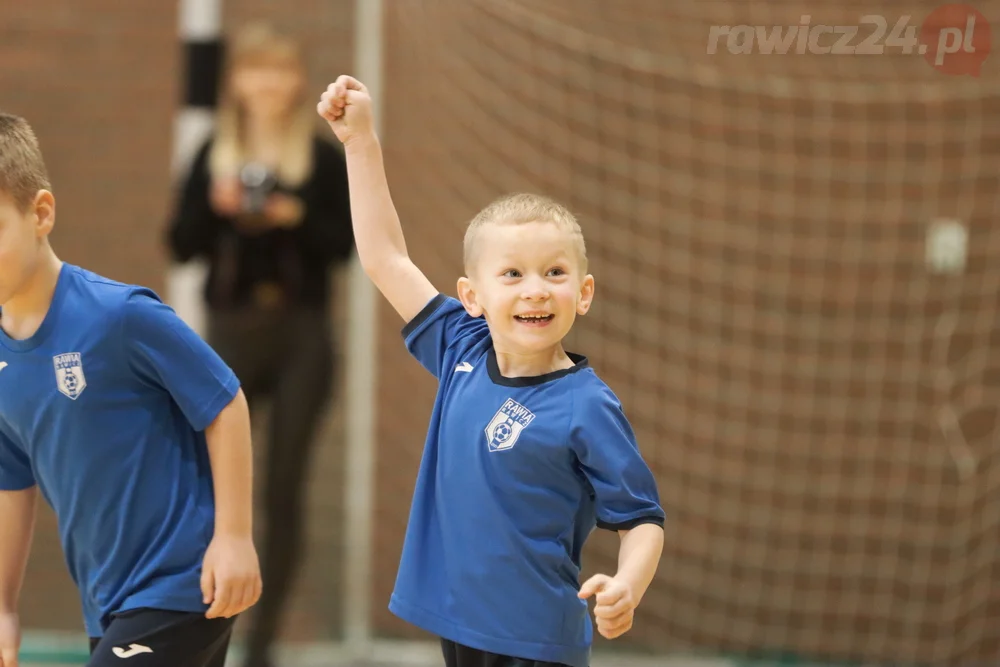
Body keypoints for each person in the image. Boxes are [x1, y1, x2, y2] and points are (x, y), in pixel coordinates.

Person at [316, 76, 666, 667]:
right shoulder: (461, 348)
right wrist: (359, 142)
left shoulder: (586, 404)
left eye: (554, 273)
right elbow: (384, 256)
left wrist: (627, 585)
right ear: (471, 295)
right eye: (512, 274)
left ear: (583, 293)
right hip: (461, 627)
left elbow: (642, 519)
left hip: (535, 641)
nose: (536, 290)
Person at [0, 113, 261, 667]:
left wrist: (234, 537)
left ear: (40, 213)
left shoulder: (118, 315)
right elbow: (10, 480)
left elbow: (225, 403)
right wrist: (3, 604)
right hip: (107, 603)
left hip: (181, 585)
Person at [165, 24, 354, 667]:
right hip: (228, 337)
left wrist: (291, 214)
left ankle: (261, 647)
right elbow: (180, 244)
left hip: (301, 334)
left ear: (298, 80)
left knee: (282, 491)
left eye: (279, 70)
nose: (267, 83)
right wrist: (219, 210)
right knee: (214, 489)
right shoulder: (212, 151)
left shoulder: (322, 159)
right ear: (236, 82)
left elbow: (344, 247)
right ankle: (206, 629)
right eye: (254, 70)